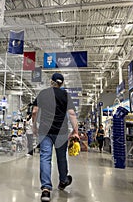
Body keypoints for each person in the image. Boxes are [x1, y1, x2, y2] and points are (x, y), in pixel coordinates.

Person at [32, 73, 79, 202]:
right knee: (61, 157)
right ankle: (63, 180)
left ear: (51, 81)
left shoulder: (43, 94)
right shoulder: (65, 95)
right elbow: (72, 114)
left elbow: (35, 111)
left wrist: (34, 126)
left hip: (45, 131)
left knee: (45, 157)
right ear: (61, 84)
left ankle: (46, 190)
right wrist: (76, 131)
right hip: (61, 132)